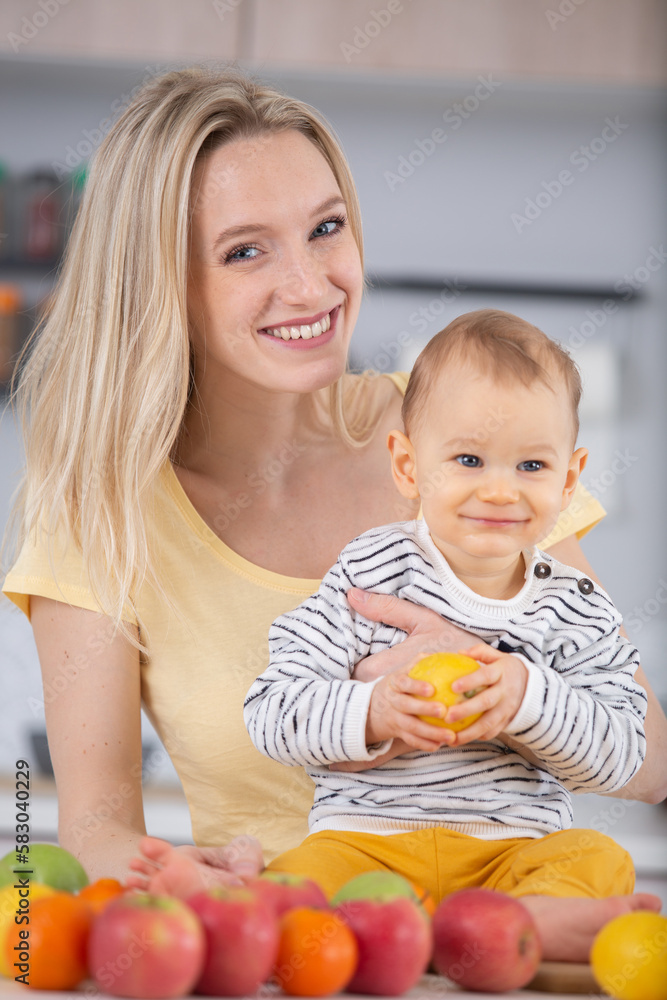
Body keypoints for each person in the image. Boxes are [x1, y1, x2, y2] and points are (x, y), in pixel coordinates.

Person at [2, 66, 666, 890]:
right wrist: (185, 877)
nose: (311, 285)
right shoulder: (99, 510)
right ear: (159, 284)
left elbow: (650, 762)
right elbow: (96, 831)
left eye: (325, 228)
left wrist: (487, 669)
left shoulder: (466, 444)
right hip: (295, 935)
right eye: (244, 251)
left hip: (502, 934)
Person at [128, 311, 659, 962]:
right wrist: (371, 710)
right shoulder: (369, 573)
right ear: (408, 466)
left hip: (512, 852)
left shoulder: (578, 607)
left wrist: (529, 699)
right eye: (468, 459)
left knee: (596, 856)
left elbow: (625, 754)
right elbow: (272, 710)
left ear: (569, 480)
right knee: (303, 874)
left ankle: (508, 923)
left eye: (531, 465)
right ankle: (270, 910)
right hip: (365, 845)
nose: (500, 490)